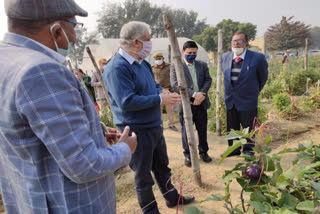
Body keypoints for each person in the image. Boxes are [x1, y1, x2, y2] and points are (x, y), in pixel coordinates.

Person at [0, 0, 137, 213]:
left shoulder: (6, 58)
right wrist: (125, 149)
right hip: (70, 205)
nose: (74, 39)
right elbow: (84, 165)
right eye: (74, 27)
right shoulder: (42, 71)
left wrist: (95, 131)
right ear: (56, 31)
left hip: (28, 198)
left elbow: (29, 130)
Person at [103, 21, 195, 214]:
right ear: (136, 42)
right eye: (148, 39)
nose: (150, 43)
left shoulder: (142, 63)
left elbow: (152, 85)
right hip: (135, 130)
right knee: (143, 175)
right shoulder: (116, 68)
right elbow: (126, 102)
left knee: (162, 166)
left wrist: (160, 91)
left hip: (153, 125)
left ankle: (171, 197)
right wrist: (160, 98)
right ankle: (150, 210)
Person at [221, 32, 268, 158]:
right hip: (231, 100)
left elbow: (262, 78)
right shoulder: (225, 57)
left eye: (240, 40)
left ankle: (248, 150)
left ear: (246, 43)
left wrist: (253, 92)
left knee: (248, 127)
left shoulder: (258, 58)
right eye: (234, 41)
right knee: (232, 127)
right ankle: (234, 149)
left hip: (248, 100)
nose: (236, 43)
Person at [170, 41, 213, 167]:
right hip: (186, 104)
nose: (192, 55)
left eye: (194, 53)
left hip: (201, 103)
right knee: (186, 131)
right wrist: (194, 94)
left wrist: (201, 94)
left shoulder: (202, 65)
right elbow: (175, 84)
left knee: (202, 129)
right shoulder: (176, 66)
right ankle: (188, 155)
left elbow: (208, 80)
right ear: (183, 52)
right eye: (189, 53)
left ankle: (204, 152)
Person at [152, 52, 178, 131]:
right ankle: (160, 125)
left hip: (167, 89)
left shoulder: (169, 66)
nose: (158, 60)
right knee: (158, 109)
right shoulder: (153, 68)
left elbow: (174, 76)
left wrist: (173, 87)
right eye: (156, 59)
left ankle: (171, 124)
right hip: (157, 91)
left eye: (159, 59)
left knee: (169, 109)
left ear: (163, 58)